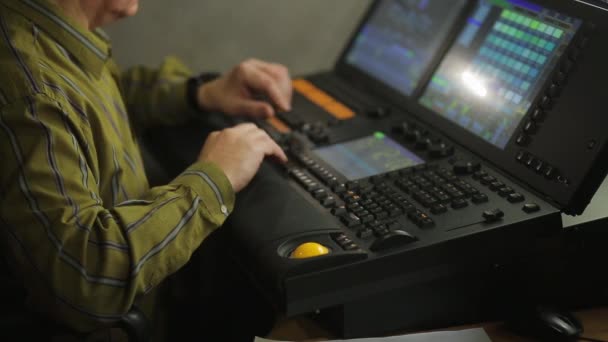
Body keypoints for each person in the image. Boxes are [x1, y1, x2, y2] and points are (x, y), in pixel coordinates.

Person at [0, 0, 291, 340]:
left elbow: (95, 101)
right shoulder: (32, 95)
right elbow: (87, 278)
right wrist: (214, 178)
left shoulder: (46, 37)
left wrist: (198, 93)